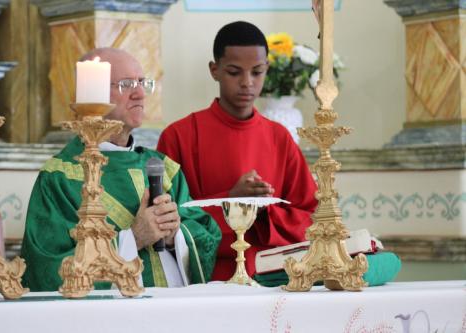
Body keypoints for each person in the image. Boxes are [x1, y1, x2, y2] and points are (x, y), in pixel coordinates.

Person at [21, 48, 221, 291]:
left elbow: (205, 234)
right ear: (90, 98)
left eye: (142, 83)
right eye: (126, 84)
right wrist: (132, 239)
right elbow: (46, 266)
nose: (139, 94)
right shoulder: (61, 177)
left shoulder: (164, 169)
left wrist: (174, 236)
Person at [157, 21, 318, 281]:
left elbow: (310, 218)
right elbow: (164, 222)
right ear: (214, 70)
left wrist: (265, 212)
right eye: (234, 72)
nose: (247, 83)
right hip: (202, 277)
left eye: (257, 72)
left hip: (272, 276)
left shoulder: (280, 138)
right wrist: (231, 201)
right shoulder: (179, 136)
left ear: (267, 69)